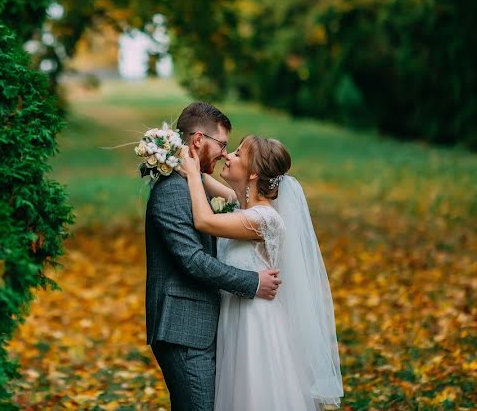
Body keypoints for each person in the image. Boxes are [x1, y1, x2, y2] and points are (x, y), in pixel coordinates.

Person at [179, 134, 343, 410]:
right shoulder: (244, 206)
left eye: (238, 154)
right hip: (237, 317)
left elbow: (204, 220)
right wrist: (174, 153)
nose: (228, 155)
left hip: (255, 324)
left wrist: (193, 176)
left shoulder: (263, 219)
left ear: (253, 173)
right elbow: (208, 180)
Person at [144, 102, 282, 411]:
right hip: (183, 328)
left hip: (204, 325)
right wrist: (252, 282)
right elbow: (193, 260)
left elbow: (234, 202)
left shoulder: (191, 186)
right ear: (197, 141)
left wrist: (194, 174)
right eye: (221, 144)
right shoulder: (172, 191)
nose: (224, 152)